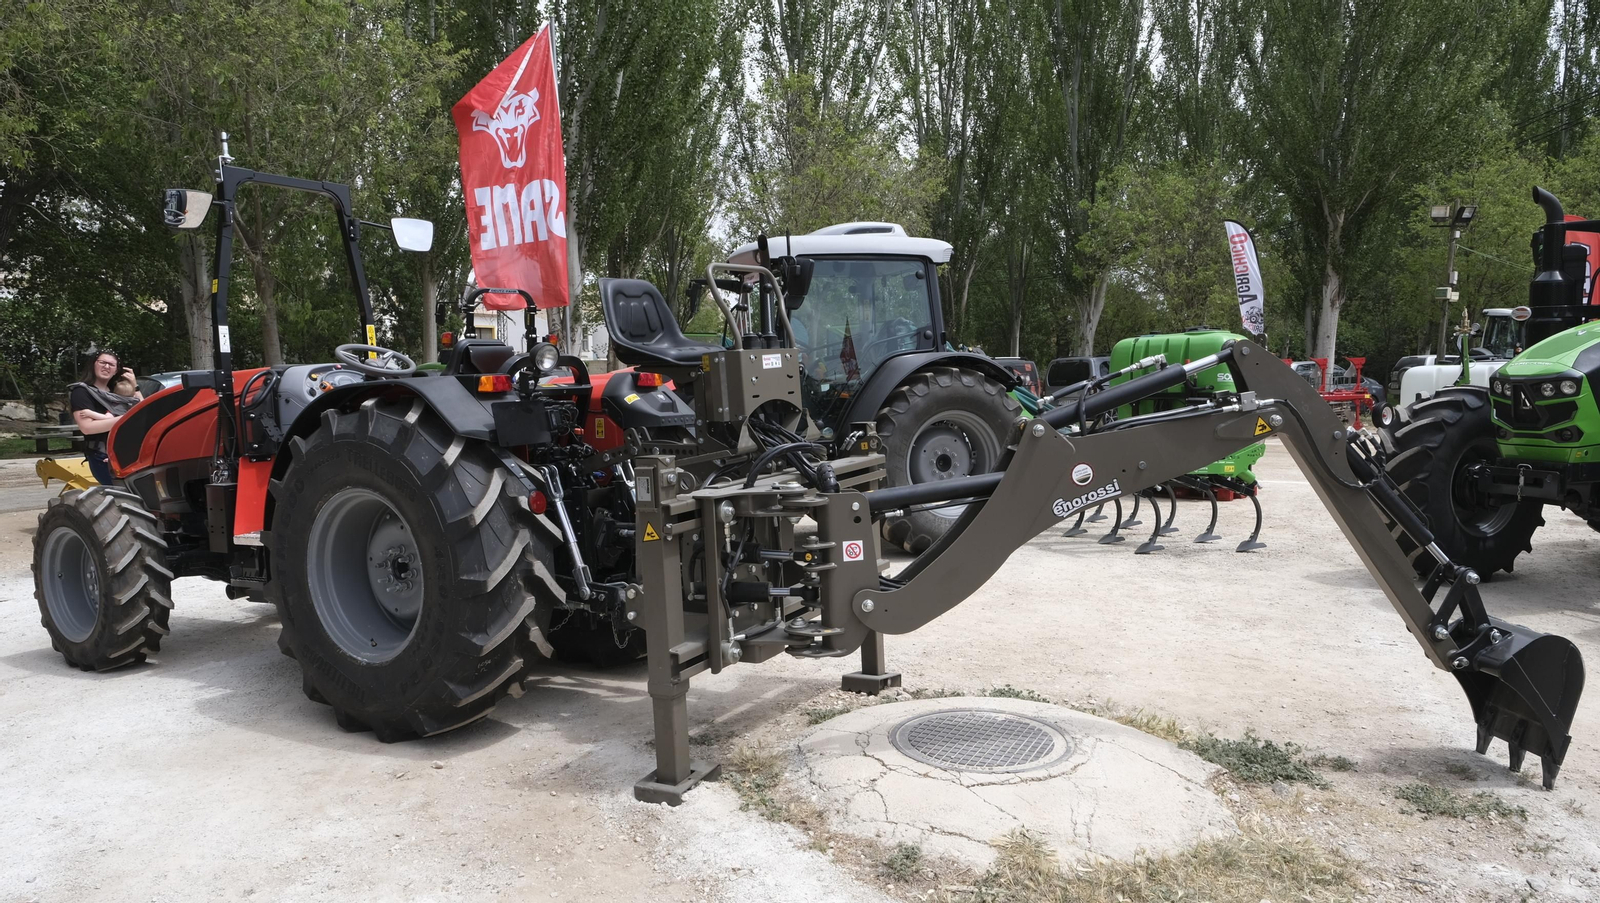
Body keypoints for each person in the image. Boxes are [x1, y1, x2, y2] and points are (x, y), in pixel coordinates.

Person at [69, 351, 142, 485]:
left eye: (111, 364)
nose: (106, 367)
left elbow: (142, 410)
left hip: (127, 453)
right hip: (103, 456)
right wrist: (128, 418)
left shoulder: (118, 390)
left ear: (116, 370)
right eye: (102, 362)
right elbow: (87, 428)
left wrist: (134, 385)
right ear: (93, 365)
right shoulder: (81, 392)